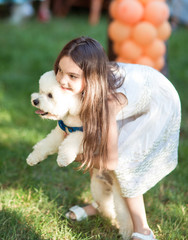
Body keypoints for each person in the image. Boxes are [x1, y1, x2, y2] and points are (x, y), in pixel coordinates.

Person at [53, 36, 181, 240]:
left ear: (91, 77)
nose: (61, 80)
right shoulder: (82, 85)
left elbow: (111, 161)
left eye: (72, 76)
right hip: (136, 92)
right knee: (92, 140)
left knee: (125, 162)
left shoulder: (107, 103)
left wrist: (81, 157)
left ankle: (143, 230)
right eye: (60, 70)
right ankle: (102, 204)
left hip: (159, 103)